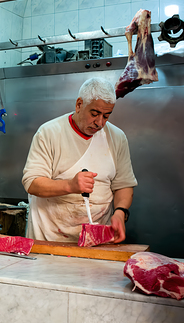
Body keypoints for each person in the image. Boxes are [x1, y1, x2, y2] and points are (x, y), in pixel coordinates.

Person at [22, 77, 137, 243]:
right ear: (79, 105)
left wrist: (120, 211)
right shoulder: (49, 132)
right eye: (94, 114)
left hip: (97, 239)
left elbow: (124, 184)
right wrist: (70, 185)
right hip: (50, 238)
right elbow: (31, 182)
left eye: (106, 116)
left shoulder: (117, 138)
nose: (99, 123)